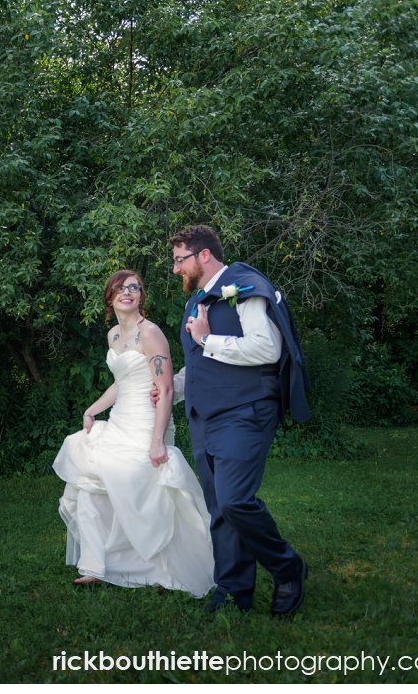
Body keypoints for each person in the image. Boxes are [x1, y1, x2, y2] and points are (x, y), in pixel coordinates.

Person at [166, 224, 311, 617]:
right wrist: (168, 391)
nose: (176, 269)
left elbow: (267, 348)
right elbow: (200, 364)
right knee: (220, 508)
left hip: (245, 410)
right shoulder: (197, 301)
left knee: (235, 501)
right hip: (204, 415)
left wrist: (206, 339)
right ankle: (233, 591)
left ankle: (287, 568)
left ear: (204, 255)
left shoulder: (244, 288)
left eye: (180, 260)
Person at [52, 270, 214, 597]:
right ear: (110, 298)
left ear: (141, 296)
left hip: (147, 423)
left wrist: (157, 441)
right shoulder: (113, 335)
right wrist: (92, 409)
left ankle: (161, 567)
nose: (127, 292)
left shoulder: (150, 334)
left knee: (145, 492)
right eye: (120, 288)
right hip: (120, 422)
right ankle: (95, 564)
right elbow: (121, 382)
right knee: (90, 484)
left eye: (134, 288)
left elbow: (165, 389)